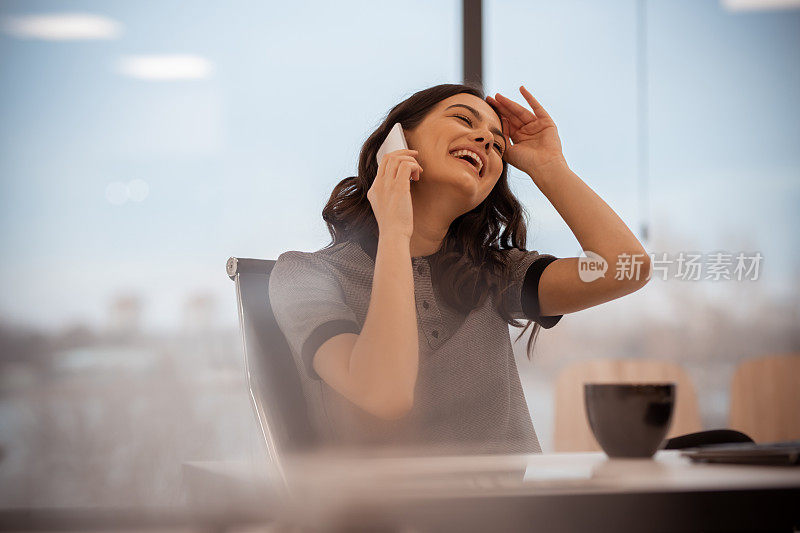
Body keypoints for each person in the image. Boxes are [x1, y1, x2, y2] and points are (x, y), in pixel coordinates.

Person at [268, 83, 651, 455]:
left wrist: (550, 168)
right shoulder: (304, 275)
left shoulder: (498, 272)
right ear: (398, 142)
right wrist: (396, 232)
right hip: (383, 516)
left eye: (498, 144)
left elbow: (626, 268)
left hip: (515, 512)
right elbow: (385, 394)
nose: (486, 140)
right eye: (464, 120)